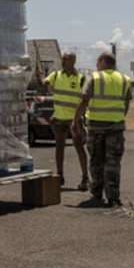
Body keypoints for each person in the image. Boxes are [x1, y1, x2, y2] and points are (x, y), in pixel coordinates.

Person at [73, 52, 131, 207]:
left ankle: (97, 194)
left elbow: (84, 100)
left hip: (96, 127)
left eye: (97, 62)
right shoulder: (125, 80)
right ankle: (113, 196)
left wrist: (75, 121)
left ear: (102, 62)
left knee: (96, 161)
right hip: (116, 127)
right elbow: (126, 104)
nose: (96, 65)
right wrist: (118, 117)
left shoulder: (94, 78)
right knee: (113, 163)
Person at [43, 52, 89, 190]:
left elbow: (85, 99)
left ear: (73, 61)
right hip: (59, 119)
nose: (63, 61)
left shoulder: (81, 79)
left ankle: (85, 178)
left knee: (79, 148)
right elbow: (45, 84)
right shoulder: (56, 75)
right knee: (59, 147)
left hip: (74, 120)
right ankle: (60, 176)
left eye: (66, 59)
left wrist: (80, 119)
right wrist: (42, 79)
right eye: (62, 59)